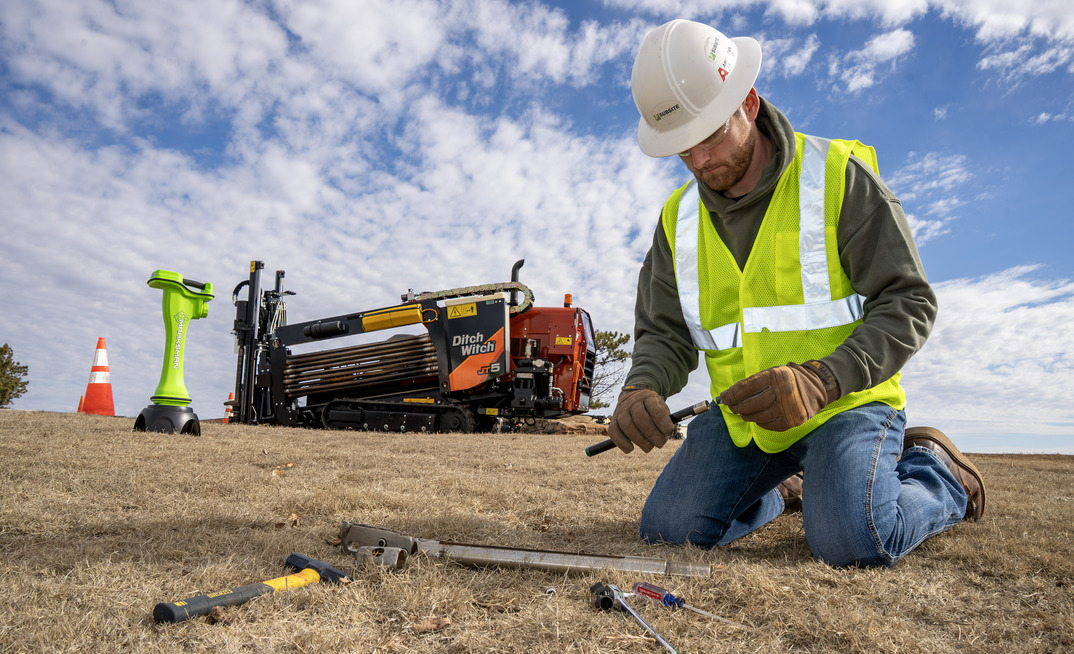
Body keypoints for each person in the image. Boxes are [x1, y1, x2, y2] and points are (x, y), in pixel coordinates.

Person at [608, 19, 985, 568]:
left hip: (846, 405)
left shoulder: (838, 178)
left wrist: (823, 379)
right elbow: (664, 332)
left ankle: (937, 474)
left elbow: (909, 301)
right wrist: (642, 386)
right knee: (668, 530)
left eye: (710, 135)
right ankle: (786, 490)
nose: (700, 161)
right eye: (683, 149)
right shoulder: (677, 222)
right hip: (745, 420)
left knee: (851, 543)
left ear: (750, 102)